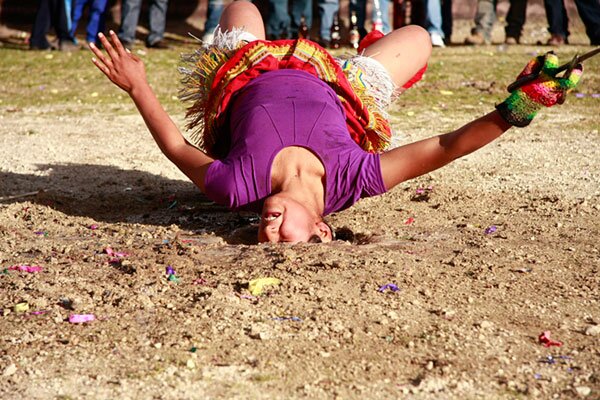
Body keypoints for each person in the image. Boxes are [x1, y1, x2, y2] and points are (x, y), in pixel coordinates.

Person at [89, 1, 583, 243]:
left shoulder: (235, 187)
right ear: (324, 232)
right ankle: (366, 51)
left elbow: (176, 147)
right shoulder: (355, 179)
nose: (268, 234)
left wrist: (138, 86)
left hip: (247, 70)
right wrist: (519, 109)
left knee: (242, 6)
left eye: (264, 242)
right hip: (343, 85)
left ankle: (345, 43)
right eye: (285, 241)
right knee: (418, 37)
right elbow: (446, 146)